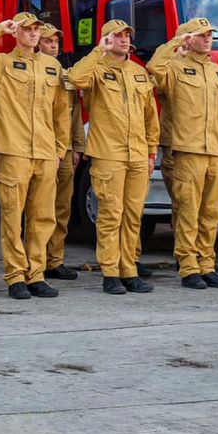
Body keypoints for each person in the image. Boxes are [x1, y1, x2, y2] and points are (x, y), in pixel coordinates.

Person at [0, 13, 71, 300]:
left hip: (45, 152)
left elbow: (61, 112)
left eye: (36, 29)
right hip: (14, 151)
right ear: (16, 32)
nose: (34, 34)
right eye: (27, 29)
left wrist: (60, 148)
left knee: (42, 217)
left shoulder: (52, 66)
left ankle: (36, 274)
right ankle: (15, 276)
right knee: (12, 217)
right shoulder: (2, 63)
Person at [67, 19, 159, 295]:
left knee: (133, 216)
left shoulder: (138, 72)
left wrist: (151, 150)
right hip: (108, 154)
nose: (122, 39)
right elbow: (75, 79)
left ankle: (129, 269)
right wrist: (98, 51)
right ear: (106, 39)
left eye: (126, 35)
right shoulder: (96, 69)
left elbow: (150, 116)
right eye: (116, 36)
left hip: (138, 154)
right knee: (110, 214)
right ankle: (110, 272)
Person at [146, 18, 218, 290]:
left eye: (210, 35)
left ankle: (206, 264)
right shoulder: (174, 69)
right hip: (187, 151)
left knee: (210, 214)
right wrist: (176, 43)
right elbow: (154, 66)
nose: (208, 39)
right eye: (201, 35)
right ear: (188, 39)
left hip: (215, 153)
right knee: (188, 212)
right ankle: (188, 266)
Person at [39, 24, 83, 281]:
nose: (53, 46)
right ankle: (36, 259)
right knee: (39, 208)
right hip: (41, 148)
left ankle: (55, 260)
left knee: (61, 207)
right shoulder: (31, 71)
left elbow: (73, 114)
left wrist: (78, 146)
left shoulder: (66, 76)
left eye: (56, 41)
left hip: (64, 150)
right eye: (47, 41)